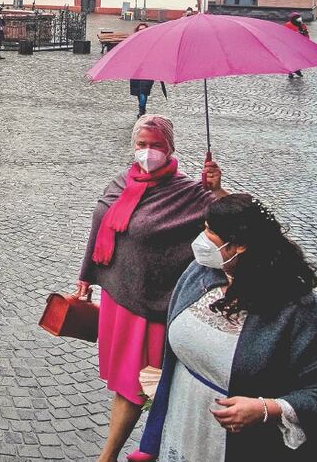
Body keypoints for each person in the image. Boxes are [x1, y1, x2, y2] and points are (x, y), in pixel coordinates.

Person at [129, 194, 317, 461]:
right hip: (184, 419)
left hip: (241, 446)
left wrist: (266, 409)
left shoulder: (297, 307)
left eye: (209, 230)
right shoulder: (200, 272)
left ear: (239, 245)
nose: (202, 238)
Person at [77, 115, 227, 462]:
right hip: (118, 298)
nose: (147, 152)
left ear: (170, 148)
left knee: (137, 385)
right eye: (142, 145)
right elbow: (101, 225)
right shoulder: (122, 182)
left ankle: (111, 455)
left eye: (156, 146)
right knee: (128, 383)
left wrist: (217, 190)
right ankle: (147, 450)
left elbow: (239, 221)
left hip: (152, 306)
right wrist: (86, 275)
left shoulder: (191, 194)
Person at [129, 23, 155, 117]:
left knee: (143, 91)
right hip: (136, 70)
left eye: (144, 29)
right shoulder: (134, 42)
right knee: (138, 92)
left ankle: (141, 111)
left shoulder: (152, 42)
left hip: (148, 70)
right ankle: (141, 108)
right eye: (140, 30)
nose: (142, 31)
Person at [284, 13, 309, 78]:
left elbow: (306, 33)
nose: (299, 18)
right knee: (291, 58)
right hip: (290, 44)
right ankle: (291, 72)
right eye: (297, 17)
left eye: (299, 17)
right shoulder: (288, 24)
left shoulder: (302, 25)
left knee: (299, 58)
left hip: (300, 44)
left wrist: (306, 38)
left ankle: (297, 69)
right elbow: (284, 34)